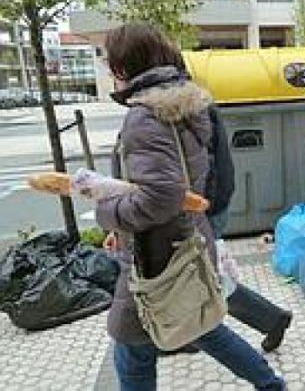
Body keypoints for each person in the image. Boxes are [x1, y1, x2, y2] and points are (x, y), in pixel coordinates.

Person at [96, 23, 285, 391]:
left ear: (123, 67)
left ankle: (271, 384)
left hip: (156, 256)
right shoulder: (182, 103)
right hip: (185, 237)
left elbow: (159, 196)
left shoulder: (144, 116)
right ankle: (270, 384)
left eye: (112, 67)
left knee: (133, 352)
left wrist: (109, 213)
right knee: (202, 325)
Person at [204, 104, 292, 353]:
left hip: (202, 210)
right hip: (208, 205)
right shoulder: (192, 101)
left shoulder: (182, 106)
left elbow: (202, 167)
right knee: (205, 279)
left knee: (207, 280)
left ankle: (271, 319)